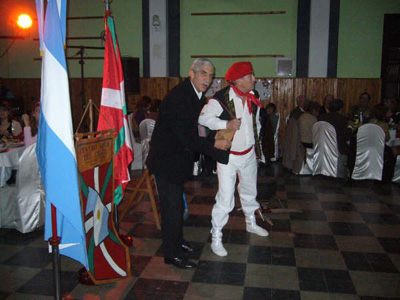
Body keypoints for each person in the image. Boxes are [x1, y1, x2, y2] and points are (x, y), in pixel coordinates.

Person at [146, 58, 231, 269]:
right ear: (191, 73)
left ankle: (178, 243)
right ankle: (171, 253)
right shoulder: (180, 97)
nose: (208, 79)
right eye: (203, 73)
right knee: (172, 208)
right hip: (167, 161)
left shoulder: (195, 95)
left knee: (176, 206)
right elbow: (188, 137)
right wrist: (215, 146)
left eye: (211, 75)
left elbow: (197, 130)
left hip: (177, 159)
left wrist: (215, 137)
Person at [199, 61, 269, 257]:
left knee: (249, 191)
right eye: (250, 76)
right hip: (228, 158)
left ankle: (251, 223)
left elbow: (255, 123)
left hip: (249, 154)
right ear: (238, 80)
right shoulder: (220, 99)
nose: (254, 79)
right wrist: (226, 123)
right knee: (226, 197)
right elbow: (203, 119)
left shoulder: (253, 96)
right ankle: (216, 236)